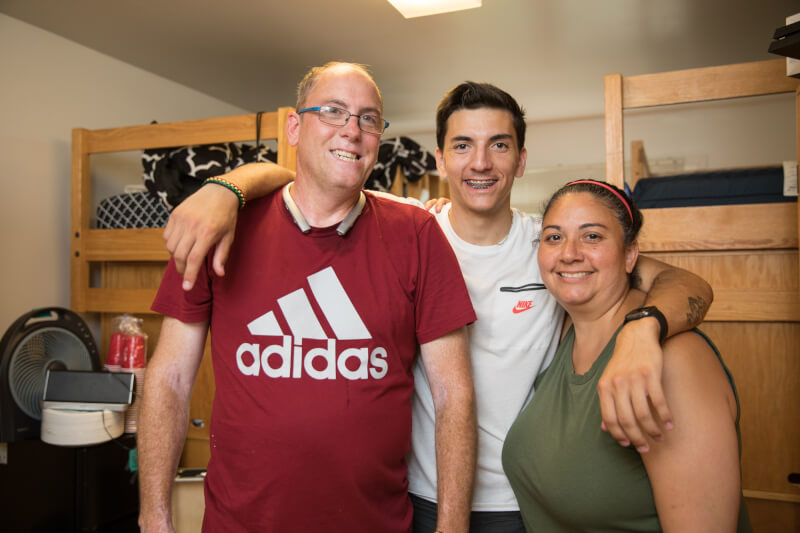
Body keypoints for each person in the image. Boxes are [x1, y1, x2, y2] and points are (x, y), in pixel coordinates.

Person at [162, 82, 714, 531]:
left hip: (525, 496)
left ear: (521, 161)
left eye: (499, 145)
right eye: (462, 146)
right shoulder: (408, 228)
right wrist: (226, 189)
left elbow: (684, 282)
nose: (480, 163)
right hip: (419, 495)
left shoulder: (551, 249)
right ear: (440, 157)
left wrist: (644, 331)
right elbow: (310, 175)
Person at [138, 62, 478, 533]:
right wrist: (154, 519)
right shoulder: (218, 229)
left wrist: (452, 526)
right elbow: (170, 379)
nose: (352, 131)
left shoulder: (416, 235)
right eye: (334, 111)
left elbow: (453, 396)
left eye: (369, 118)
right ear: (295, 128)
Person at [502, 179, 752, 532]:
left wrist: (642, 329)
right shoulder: (559, 334)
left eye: (592, 236)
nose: (569, 253)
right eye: (554, 237)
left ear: (631, 254)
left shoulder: (673, 360)